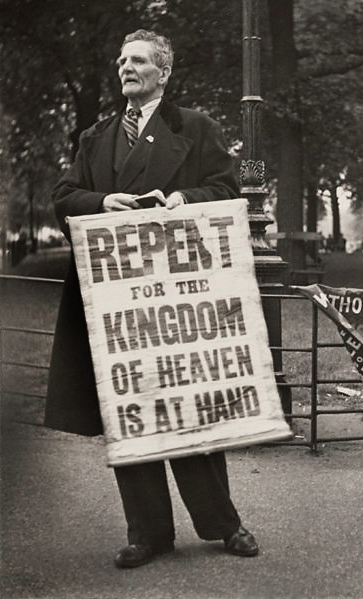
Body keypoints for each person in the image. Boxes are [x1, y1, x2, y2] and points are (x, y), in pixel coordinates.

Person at [44, 29, 258, 568]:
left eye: (137, 60)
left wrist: (182, 200)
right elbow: (64, 198)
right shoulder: (95, 137)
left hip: (178, 297)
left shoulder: (197, 128)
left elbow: (230, 191)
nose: (125, 67)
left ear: (163, 72)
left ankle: (222, 525)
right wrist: (102, 200)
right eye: (121, 60)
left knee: (191, 409)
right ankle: (149, 533)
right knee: (129, 413)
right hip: (112, 299)